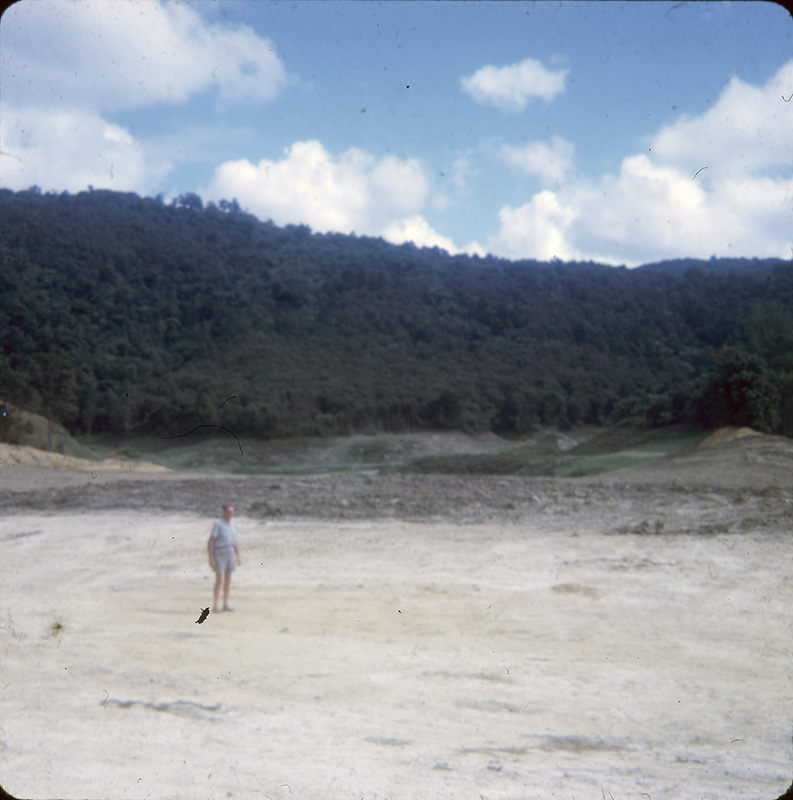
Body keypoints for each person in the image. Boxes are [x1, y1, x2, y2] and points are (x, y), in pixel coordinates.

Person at [207, 504, 241, 613]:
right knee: (219, 579)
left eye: (232, 512)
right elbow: (211, 541)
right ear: (223, 512)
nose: (230, 514)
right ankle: (215, 605)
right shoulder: (218, 524)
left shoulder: (233, 524)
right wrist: (211, 558)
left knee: (228, 579)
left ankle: (225, 604)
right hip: (219, 551)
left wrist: (238, 555)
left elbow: (235, 541)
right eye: (228, 512)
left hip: (229, 551)